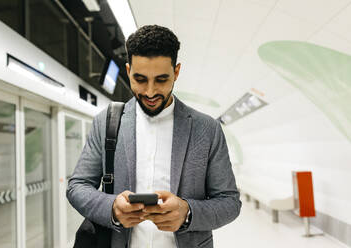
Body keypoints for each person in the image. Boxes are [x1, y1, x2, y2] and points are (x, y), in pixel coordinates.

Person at [67, 24, 241, 248]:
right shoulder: (107, 122)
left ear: (176, 72)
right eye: (140, 79)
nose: (150, 92)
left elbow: (229, 203)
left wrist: (187, 212)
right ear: (128, 71)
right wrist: (112, 208)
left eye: (161, 80)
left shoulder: (206, 129)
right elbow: (78, 186)